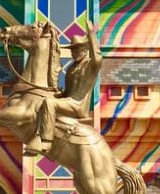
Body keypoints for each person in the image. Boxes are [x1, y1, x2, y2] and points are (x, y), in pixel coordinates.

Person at [24, 18, 102, 154]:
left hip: (78, 105)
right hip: (69, 101)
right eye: (72, 50)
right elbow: (67, 92)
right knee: (42, 101)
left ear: (85, 49)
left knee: (49, 103)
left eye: (77, 49)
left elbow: (98, 58)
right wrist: (58, 94)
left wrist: (91, 35)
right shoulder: (71, 68)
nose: (74, 52)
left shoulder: (90, 66)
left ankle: (46, 142)